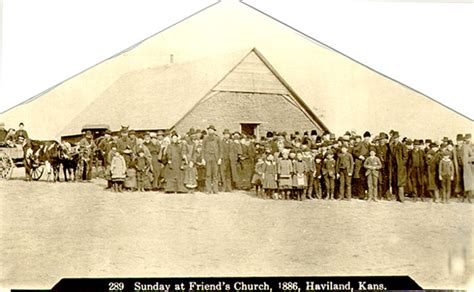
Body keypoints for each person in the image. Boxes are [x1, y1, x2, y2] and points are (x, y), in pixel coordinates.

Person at [202, 125, 221, 194]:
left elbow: (220, 149)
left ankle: (215, 190)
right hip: (208, 158)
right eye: (209, 130)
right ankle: (208, 189)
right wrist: (203, 159)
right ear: (208, 131)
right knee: (208, 174)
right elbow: (203, 149)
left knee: (215, 174)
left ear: (214, 131)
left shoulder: (217, 138)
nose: (210, 131)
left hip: (215, 158)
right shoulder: (205, 138)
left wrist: (219, 158)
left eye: (212, 130)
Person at [461, 134, 473, 203]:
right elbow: (464, 157)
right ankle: (468, 197)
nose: (467, 140)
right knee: (468, 182)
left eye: (468, 138)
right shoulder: (465, 146)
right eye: (466, 139)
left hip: (471, 165)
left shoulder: (471, 146)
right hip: (468, 166)